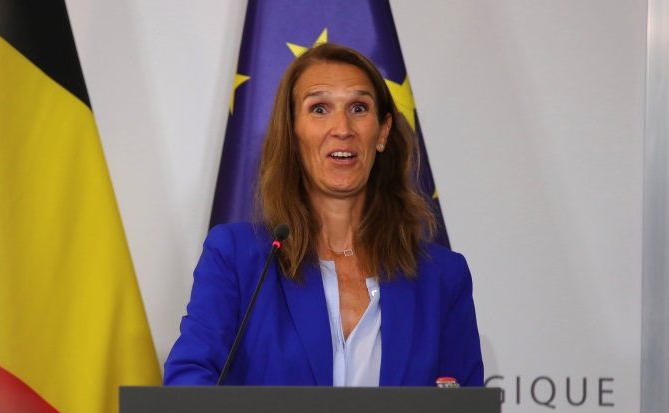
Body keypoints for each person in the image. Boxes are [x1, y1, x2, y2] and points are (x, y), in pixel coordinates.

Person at [164, 43, 483, 387]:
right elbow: (188, 385)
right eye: (319, 109)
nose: (342, 127)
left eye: (359, 108)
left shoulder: (443, 277)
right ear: (292, 130)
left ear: (383, 132)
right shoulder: (237, 257)